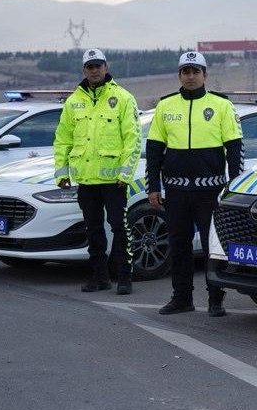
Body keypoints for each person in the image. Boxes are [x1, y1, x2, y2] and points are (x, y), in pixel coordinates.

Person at [146, 51, 243, 316]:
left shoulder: (221, 105)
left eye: (195, 71)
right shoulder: (166, 106)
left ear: (204, 75)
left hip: (210, 191)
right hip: (176, 191)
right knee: (179, 245)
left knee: (212, 246)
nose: (190, 76)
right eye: (185, 72)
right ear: (179, 75)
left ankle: (215, 300)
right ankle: (181, 298)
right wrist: (152, 186)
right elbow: (154, 149)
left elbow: (234, 148)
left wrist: (234, 185)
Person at [53, 49, 140, 294]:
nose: (94, 70)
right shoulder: (73, 101)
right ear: (84, 70)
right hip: (86, 179)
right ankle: (99, 277)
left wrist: (125, 173)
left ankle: (124, 277)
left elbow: (132, 140)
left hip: (114, 180)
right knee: (93, 229)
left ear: (106, 67)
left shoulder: (122, 98)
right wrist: (61, 172)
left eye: (98, 65)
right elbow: (62, 139)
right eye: (90, 66)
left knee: (119, 228)